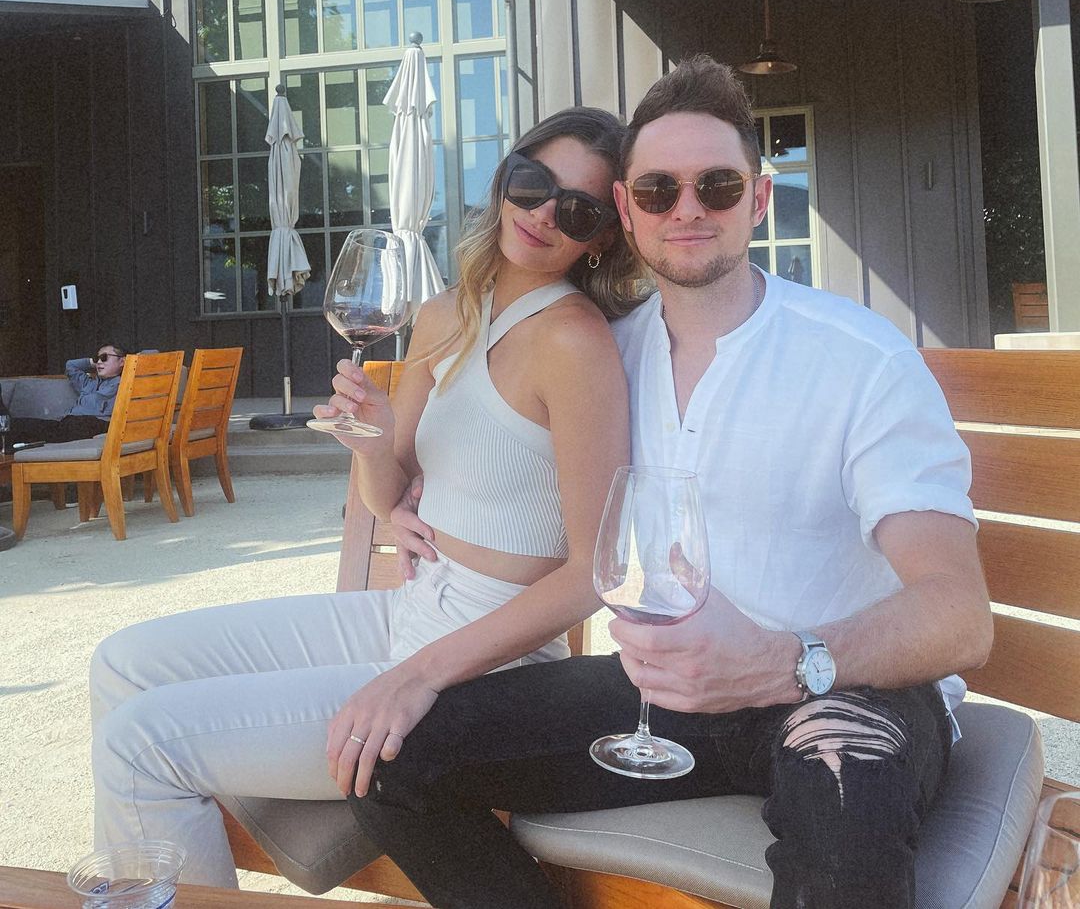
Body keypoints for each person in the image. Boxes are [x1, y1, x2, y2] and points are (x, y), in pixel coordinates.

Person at [345, 55, 993, 909]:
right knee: (392, 762)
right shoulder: (605, 356)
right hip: (664, 694)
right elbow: (499, 475)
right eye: (658, 190)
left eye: (717, 187)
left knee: (844, 796)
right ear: (626, 210)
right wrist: (399, 493)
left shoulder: (860, 361)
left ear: (758, 200)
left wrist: (783, 663)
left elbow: (959, 615)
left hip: (840, 688)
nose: (686, 209)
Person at [88, 106, 641, 888]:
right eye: (532, 183)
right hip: (409, 610)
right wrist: (375, 443)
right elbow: (389, 496)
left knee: (139, 744)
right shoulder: (446, 313)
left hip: (489, 666)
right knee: (121, 665)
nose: (544, 214)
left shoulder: (574, 343)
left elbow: (593, 573)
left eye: (577, 210)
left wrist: (419, 676)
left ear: (602, 237)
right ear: (504, 180)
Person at [9, 344, 131, 445]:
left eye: (104, 357)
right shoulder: (88, 384)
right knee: (16, 425)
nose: (99, 361)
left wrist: (129, 363)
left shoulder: (124, 384)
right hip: (71, 422)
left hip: (96, 423)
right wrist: (92, 362)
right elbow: (71, 366)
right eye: (97, 358)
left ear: (122, 361)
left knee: (38, 431)